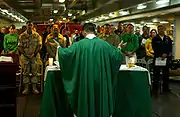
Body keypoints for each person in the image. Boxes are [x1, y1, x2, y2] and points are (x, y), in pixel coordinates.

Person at [56, 23, 125, 117]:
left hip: (85, 81)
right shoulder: (104, 45)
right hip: (101, 81)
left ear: (84, 32)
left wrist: (59, 48)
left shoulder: (78, 45)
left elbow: (65, 55)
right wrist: (119, 48)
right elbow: (116, 57)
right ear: (95, 31)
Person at [18, 21, 42, 94]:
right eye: (28, 25)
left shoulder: (37, 35)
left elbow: (39, 45)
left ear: (32, 26)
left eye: (31, 25)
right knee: (25, 72)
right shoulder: (22, 36)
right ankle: (26, 88)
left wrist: (34, 54)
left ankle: (34, 88)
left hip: (34, 56)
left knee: (35, 72)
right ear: (26, 26)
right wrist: (25, 54)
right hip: (25, 57)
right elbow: (19, 46)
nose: (30, 26)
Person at [152, 25, 172, 94]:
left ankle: (165, 88)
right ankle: (155, 89)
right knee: (156, 74)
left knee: (166, 74)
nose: (161, 30)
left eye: (162, 29)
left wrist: (166, 54)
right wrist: (160, 54)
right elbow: (154, 48)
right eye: (159, 29)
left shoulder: (167, 38)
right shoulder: (155, 38)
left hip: (166, 59)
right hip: (157, 58)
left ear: (164, 29)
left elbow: (170, 48)